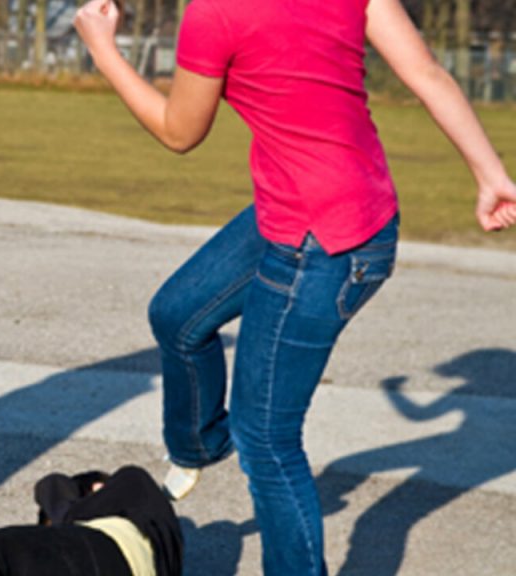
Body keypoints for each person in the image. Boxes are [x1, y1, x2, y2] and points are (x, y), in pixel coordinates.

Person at [73, 0, 516, 574]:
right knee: (178, 315)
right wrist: (491, 175)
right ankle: (199, 447)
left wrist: (103, 50)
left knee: (267, 440)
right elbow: (427, 72)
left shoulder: (215, 13)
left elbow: (179, 133)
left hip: (323, 244)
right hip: (334, 211)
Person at [0, 466, 183, 576]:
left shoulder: (131, 483)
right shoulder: (158, 536)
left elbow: (52, 485)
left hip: (103, 552)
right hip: (107, 561)